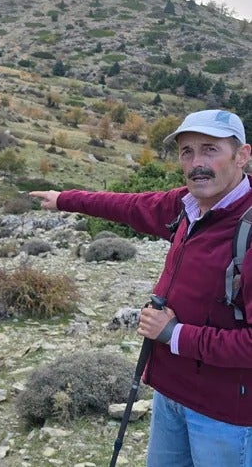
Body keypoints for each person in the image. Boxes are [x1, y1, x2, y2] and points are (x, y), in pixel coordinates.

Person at [30, 109, 252, 467]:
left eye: (210, 150)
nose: (197, 163)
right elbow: (129, 206)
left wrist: (173, 334)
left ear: (242, 155)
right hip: (171, 393)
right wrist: (65, 199)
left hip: (225, 412)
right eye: (187, 151)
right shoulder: (186, 206)